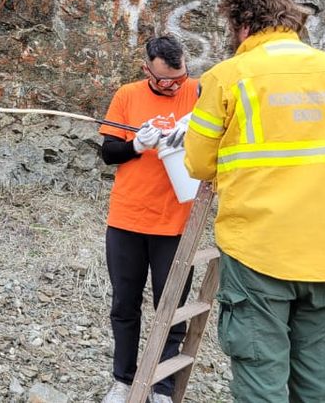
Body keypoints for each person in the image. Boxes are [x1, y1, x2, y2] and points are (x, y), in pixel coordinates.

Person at [174, 0, 325, 401]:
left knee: (261, 380)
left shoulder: (227, 77)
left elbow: (199, 164)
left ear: (243, 26)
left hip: (257, 250)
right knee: (318, 384)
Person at [97, 35, 199, 403]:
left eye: (179, 78)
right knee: (124, 304)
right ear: (147, 71)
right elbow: (109, 152)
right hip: (127, 219)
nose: (173, 87)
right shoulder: (127, 95)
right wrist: (136, 146)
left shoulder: (198, 92)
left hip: (175, 223)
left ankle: (162, 386)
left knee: (170, 307)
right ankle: (123, 380)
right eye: (164, 82)